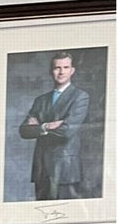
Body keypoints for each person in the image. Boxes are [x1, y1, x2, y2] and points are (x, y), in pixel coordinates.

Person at [18, 51, 91, 200]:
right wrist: (46, 127)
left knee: (66, 216)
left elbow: (66, 131)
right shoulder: (40, 100)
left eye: (65, 67)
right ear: (51, 71)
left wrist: (38, 127)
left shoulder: (80, 97)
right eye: (57, 67)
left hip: (66, 169)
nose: (61, 71)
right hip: (42, 169)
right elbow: (24, 130)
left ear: (72, 70)